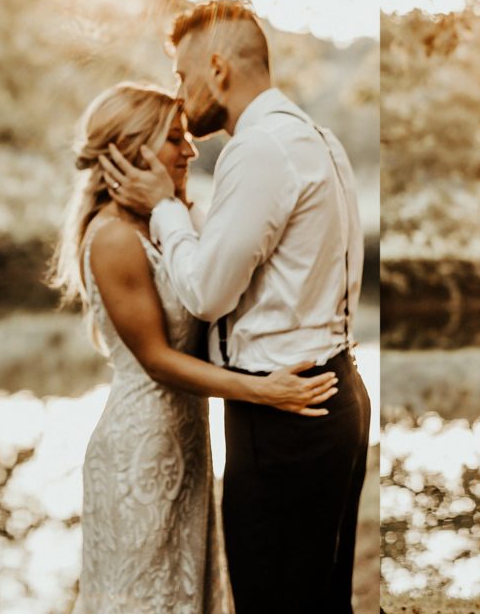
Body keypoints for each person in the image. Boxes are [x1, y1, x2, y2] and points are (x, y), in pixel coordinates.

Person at [100, 1, 371, 614]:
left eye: (181, 74)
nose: (179, 91)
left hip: (283, 412)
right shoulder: (315, 137)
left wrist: (166, 205)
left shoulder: (259, 149)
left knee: (273, 600)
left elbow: (205, 292)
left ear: (217, 69)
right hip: (336, 387)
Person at [49, 83, 337, 614]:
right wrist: (263, 391)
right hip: (139, 451)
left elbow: (233, 279)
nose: (191, 150)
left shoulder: (172, 223)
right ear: (129, 152)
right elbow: (158, 361)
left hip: (187, 443)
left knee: (186, 595)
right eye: (175, 139)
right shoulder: (113, 237)